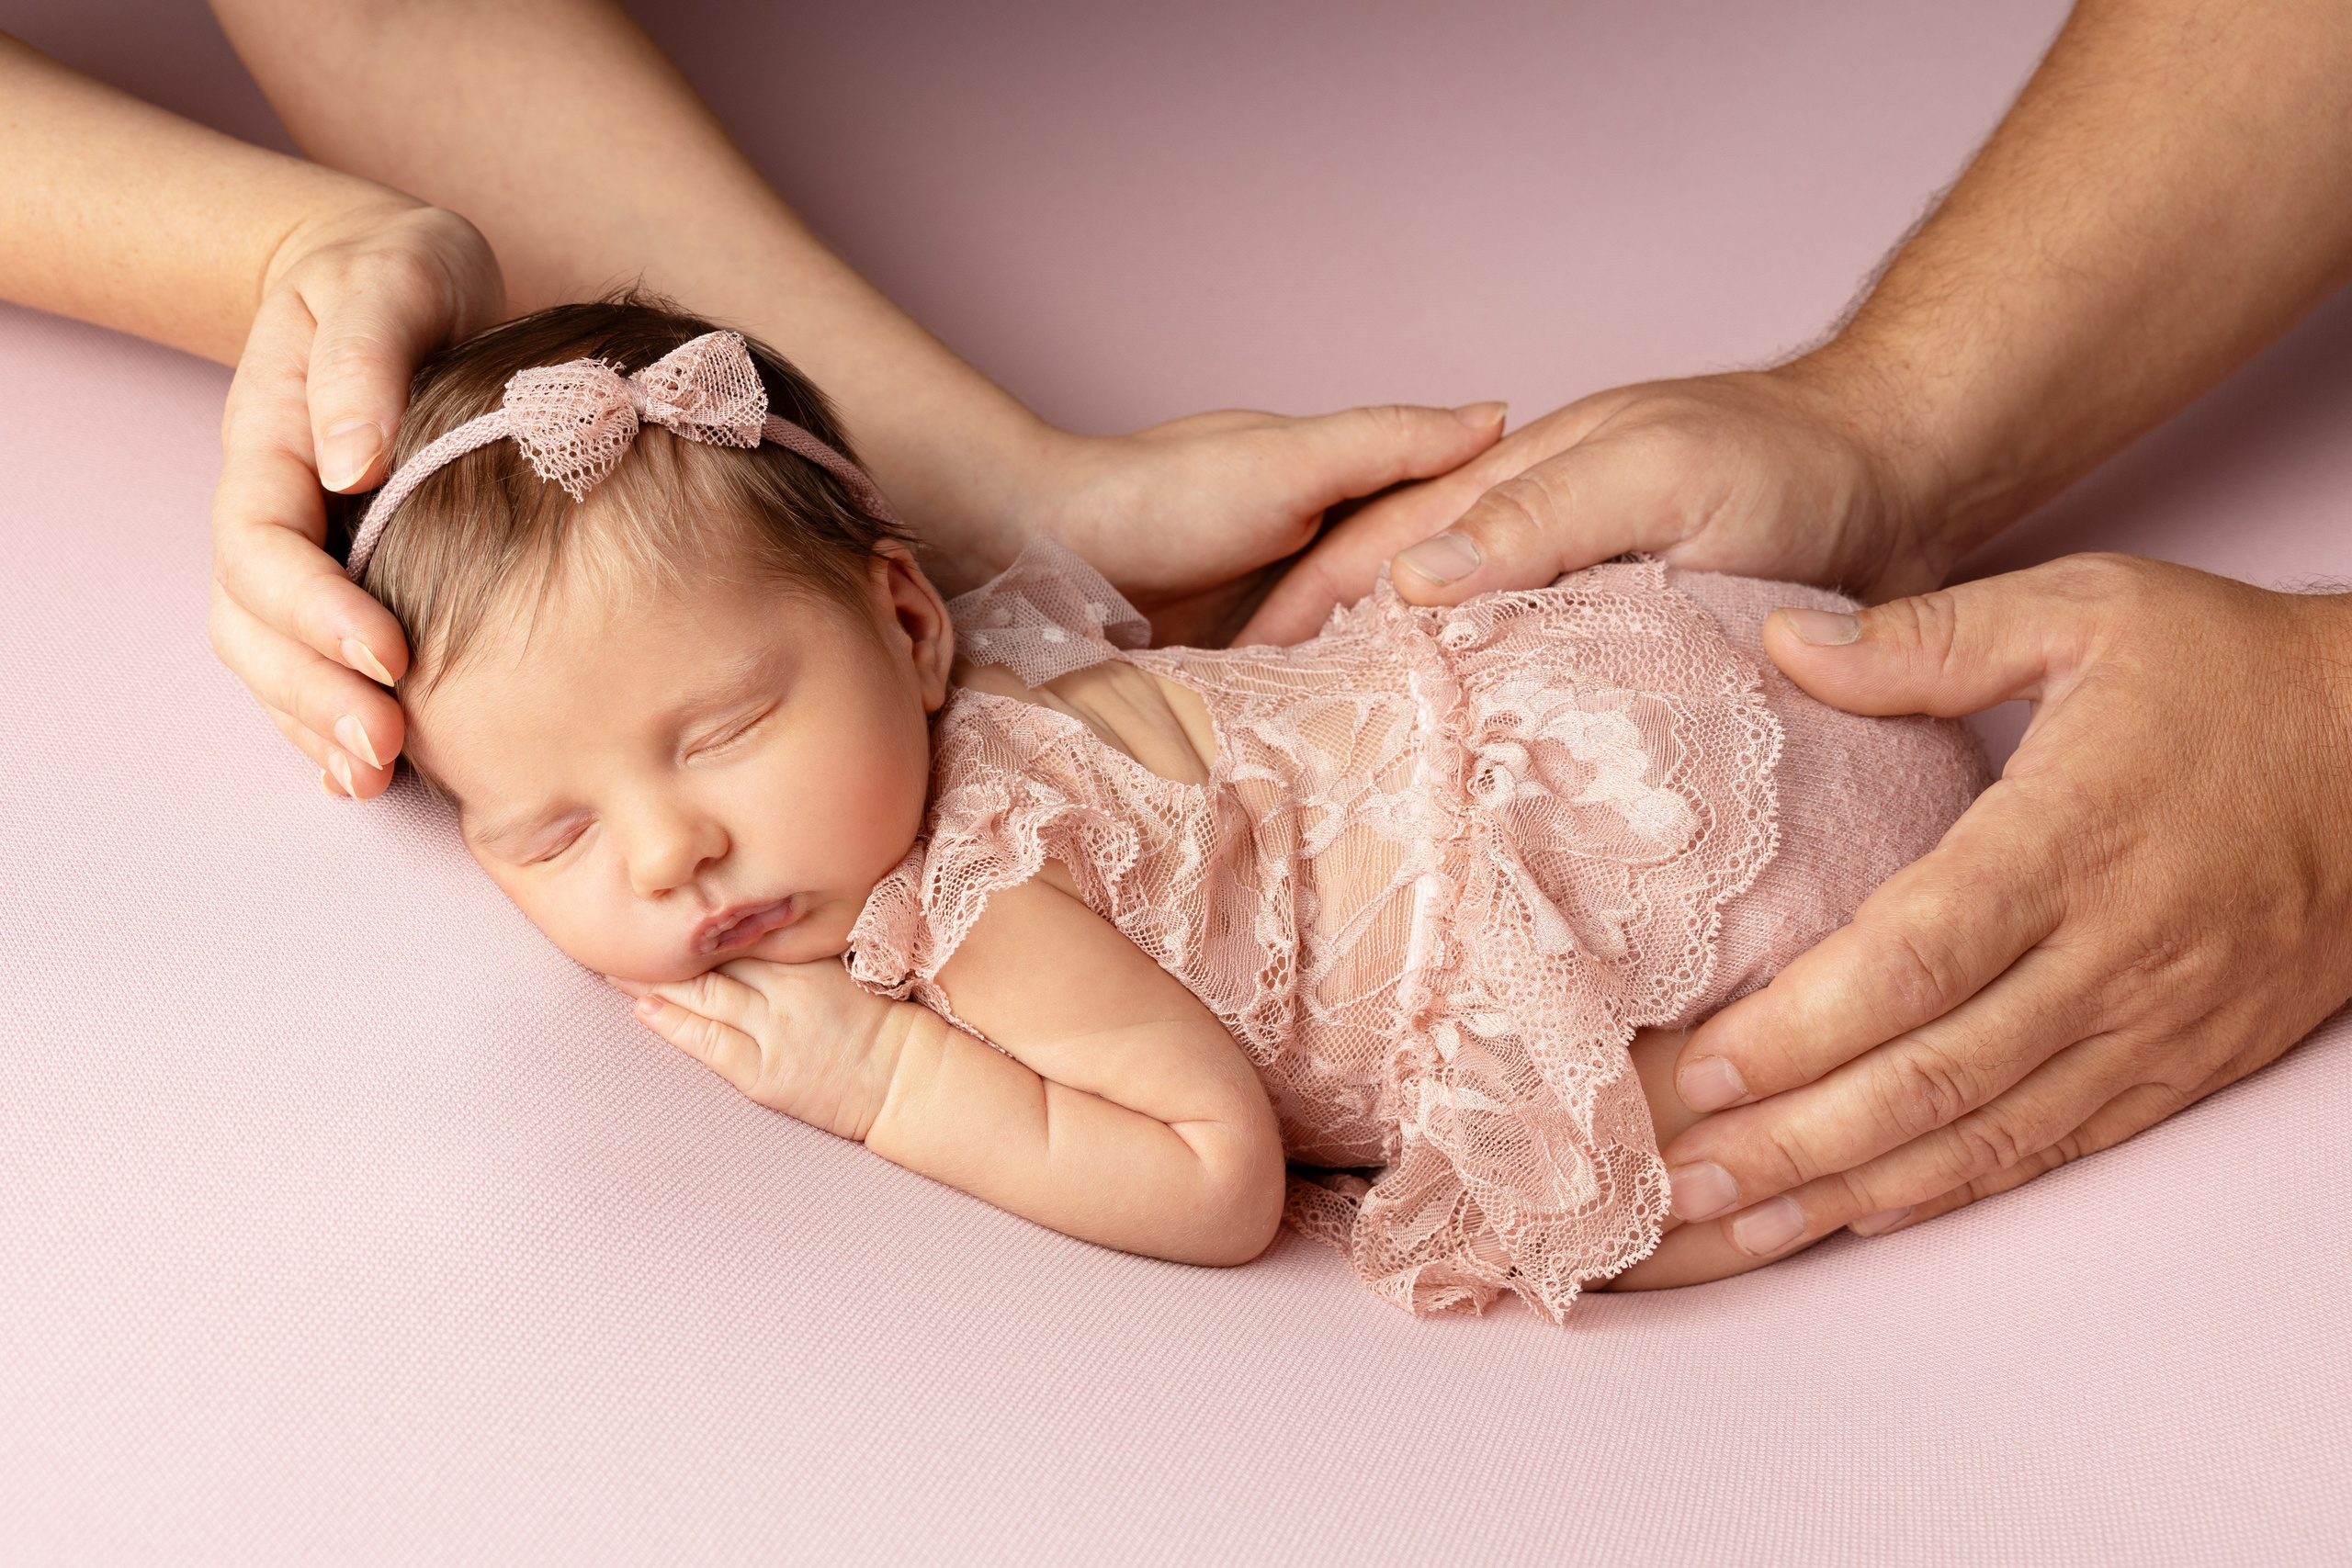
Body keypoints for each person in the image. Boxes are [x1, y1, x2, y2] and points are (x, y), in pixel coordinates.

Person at [335, 296, 1987, 1315]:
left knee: (1672, 1161)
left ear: (911, 625)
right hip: (1625, 689)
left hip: (1637, 865)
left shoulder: (983, 895)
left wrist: (882, 1074)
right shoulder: (998, 656)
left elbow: (1217, 1176)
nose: (665, 850)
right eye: (547, 832)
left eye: (726, 730)